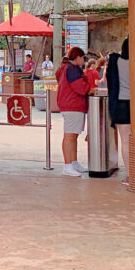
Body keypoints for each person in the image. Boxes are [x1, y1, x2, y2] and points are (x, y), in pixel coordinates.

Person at [57, 46, 92, 177]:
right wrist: (89, 85)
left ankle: (73, 162)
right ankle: (67, 165)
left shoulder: (68, 68)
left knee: (74, 136)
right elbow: (81, 88)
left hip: (73, 105)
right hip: (72, 105)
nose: (83, 60)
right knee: (70, 136)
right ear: (77, 58)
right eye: (83, 58)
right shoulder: (71, 70)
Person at [106, 38, 131, 182]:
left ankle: (129, 174)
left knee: (125, 141)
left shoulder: (116, 62)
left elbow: (108, 79)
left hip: (121, 104)